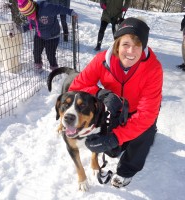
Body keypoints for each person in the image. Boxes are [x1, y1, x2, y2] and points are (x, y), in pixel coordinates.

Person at [69, 17, 163, 188]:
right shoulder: (102, 60)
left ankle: (126, 171)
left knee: (144, 134)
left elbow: (147, 114)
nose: (131, 51)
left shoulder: (153, 68)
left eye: (137, 45)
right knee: (112, 152)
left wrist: (116, 137)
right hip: (113, 109)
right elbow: (76, 87)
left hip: (138, 112)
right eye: (126, 44)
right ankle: (121, 143)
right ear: (117, 44)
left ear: (144, 47)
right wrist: (100, 92)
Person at [17, 0, 77, 72]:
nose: (30, 17)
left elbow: (60, 8)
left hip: (52, 35)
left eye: (31, 14)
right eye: (28, 15)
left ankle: (55, 70)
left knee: (50, 54)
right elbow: (31, 24)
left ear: (32, 8)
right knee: (36, 51)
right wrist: (21, 29)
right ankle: (38, 66)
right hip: (39, 35)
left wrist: (71, 12)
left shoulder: (46, 8)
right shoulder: (29, 15)